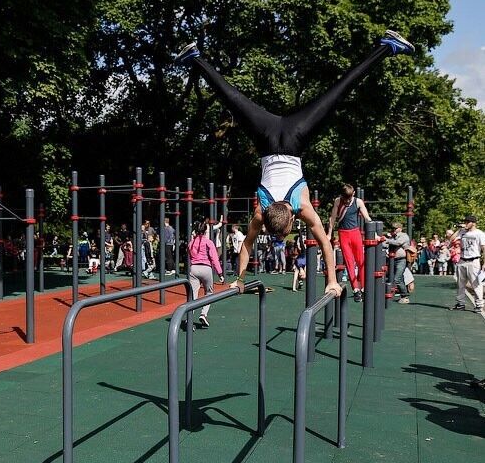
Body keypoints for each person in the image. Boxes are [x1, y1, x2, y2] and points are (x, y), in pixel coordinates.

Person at [177, 30, 414, 298]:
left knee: (339, 90)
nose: (283, 235)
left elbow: (324, 242)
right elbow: (253, 245)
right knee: (231, 96)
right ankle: (195, 58)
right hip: (268, 137)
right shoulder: (262, 212)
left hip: (293, 138)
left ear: (290, 219)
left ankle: (387, 46)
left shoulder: (300, 208)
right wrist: (239, 279)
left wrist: (332, 281)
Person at [327, 184, 371, 302]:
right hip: (343, 234)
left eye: (349, 198)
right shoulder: (338, 201)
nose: (347, 201)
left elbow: (367, 218)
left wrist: (374, 232)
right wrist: (329, 234)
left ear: (353, 194)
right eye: (345, 198)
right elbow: (332, 218)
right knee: (349, 262)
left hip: (355, 233)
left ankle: (363, 287)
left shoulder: (358, 202)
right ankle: (356, 289)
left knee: (361, 261)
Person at [188, 219, 224, 328]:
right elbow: (214, 259)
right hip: (206, 268)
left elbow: (189, 255)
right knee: (209, 293)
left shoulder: (191, 243)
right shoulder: (208, 242)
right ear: (205, 231)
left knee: (193, 295)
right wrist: (220, 273)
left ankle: (189, 318)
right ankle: (203, 314)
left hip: (194, 268)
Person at [450, 215, 485, 312]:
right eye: (465, 221)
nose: (465, 223)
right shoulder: (462, 232)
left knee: (476, 284)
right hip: (462, 260)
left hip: (473, 261)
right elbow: (451, 239)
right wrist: (459, 230)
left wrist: (484, 263)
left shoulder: (480, 233)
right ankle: (460, 304)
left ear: (473, 223)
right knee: (460, 284)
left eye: (467, 222)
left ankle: (479, 305)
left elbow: (484, 249)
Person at [383, 222, 412, 304]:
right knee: (396, 278)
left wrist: (387, 240)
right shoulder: (393, 236)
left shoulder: (403, 236)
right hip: (392, 260)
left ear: (400, 228)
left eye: (396, 228)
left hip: (401, 260)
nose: (394, 230)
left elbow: (398, 242)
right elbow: (385, 244)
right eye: (393, 228)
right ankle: (402, 295)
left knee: (397, 279)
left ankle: (404, 296)